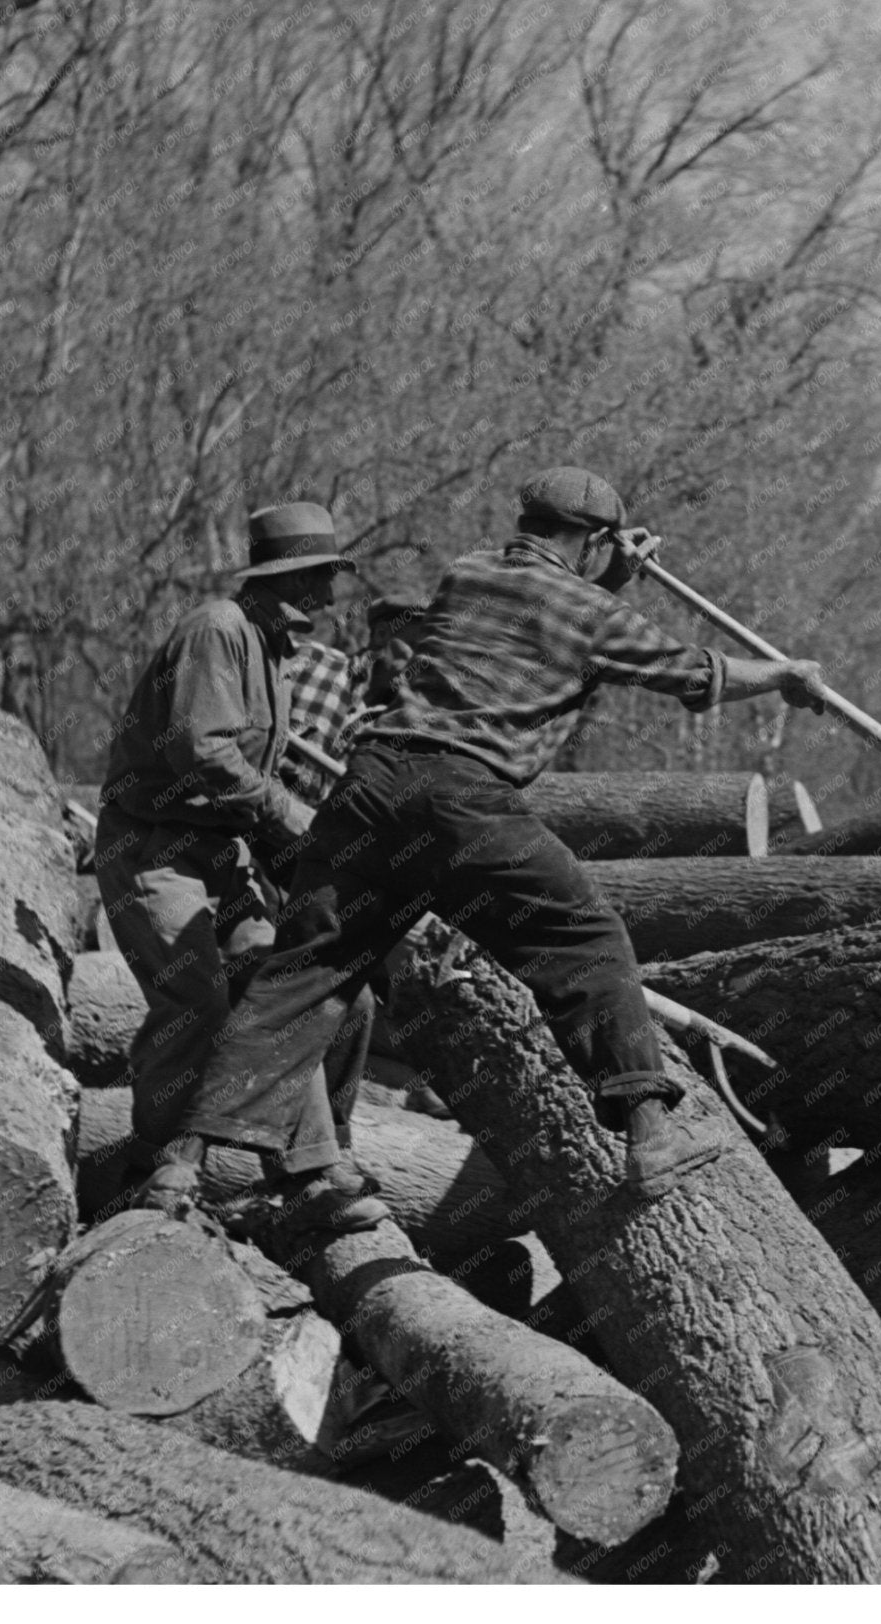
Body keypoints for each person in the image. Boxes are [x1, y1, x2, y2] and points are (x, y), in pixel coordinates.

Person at [145, 466, 825, 1222]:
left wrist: (609, 573)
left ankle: (181, 1163)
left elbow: (540, 624)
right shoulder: (590, 610)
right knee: (584, 938)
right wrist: (785, 675)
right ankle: (650, 1134)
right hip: (462, 801)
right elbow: (695, 673)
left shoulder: (467, 574)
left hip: (371, 787)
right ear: (593, 539)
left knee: (303, 973)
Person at [97, 502, 387, 1234]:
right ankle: (156, 1170)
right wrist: (288, 814)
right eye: (317, 576)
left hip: (225, 855)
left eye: (328, 577)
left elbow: (251, 778)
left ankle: (313, 1169)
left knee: (305, 992)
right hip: (157, 849)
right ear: (283, 578)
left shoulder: (275, 654)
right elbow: (202, 751)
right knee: (196, 1001)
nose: (327, 594)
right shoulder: (218, 630)